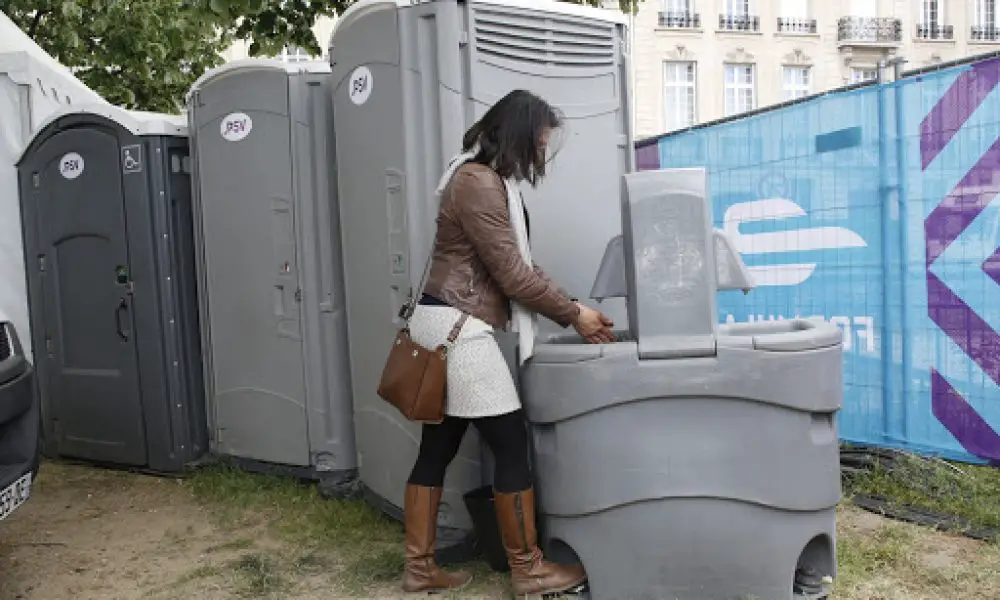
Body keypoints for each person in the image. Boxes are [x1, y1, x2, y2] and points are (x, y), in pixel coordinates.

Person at [400, 89, 615, 597]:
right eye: (541, 137)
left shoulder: (483, 180)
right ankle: (529, 570)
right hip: (459, 328)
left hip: (445, 321)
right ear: (520, 133)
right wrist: (574, 314)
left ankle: (419, 568)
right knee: (510, 444)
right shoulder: (477, 183)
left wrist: (573, 307)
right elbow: (514, 277)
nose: (544, 148)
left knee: (439, 445)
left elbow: (521, 267)